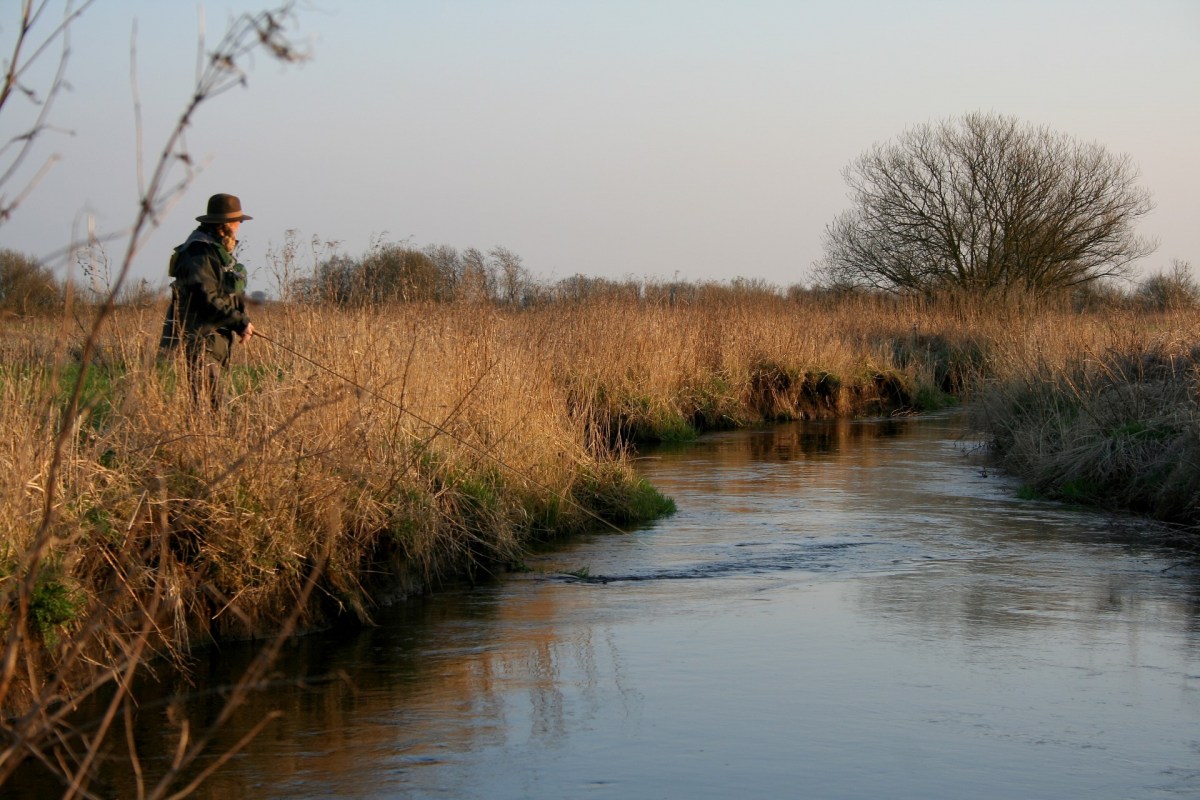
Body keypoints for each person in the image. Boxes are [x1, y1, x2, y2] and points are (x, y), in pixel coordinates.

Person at [160, 193, 256, 409]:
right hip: (201, 340)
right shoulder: (200, 252)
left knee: (213, 407)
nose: (239, 225)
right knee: (212, 408)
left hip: (212, 339)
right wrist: (239, 321)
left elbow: (220, 293)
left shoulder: (213, 249)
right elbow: (206, 298)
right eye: (237, 221)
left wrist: (240, 321)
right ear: (225, 224)